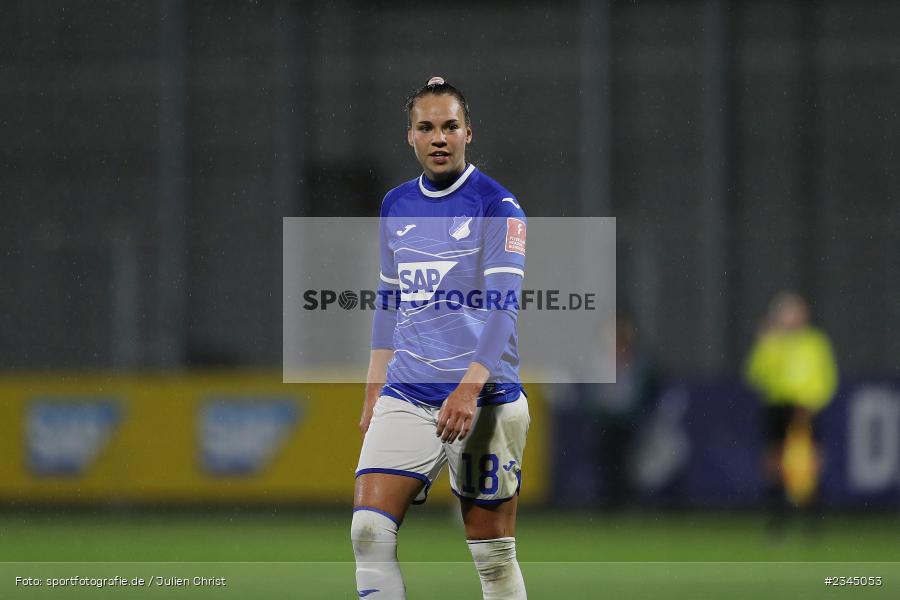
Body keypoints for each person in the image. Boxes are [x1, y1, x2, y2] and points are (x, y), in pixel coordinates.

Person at [352, 76, 529, 599]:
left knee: (492, 559)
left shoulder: (498, 207)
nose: (438, 138)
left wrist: (470, 389)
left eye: (449, 126)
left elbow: (503, 309)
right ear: (410, 137)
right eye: (425, 127)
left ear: (468, 132)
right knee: (368, 533)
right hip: (408, 392)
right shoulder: (396, 205)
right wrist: (374, 391)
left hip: (485, 400)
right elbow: (389, 301)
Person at [744, 291, 838, 532]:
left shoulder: (815, 342)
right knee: (774, 462)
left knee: (809, 462)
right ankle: (778, 517)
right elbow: (755, 374)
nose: (791, 319)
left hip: (805, 407)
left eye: (795, 313)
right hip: (778, 405)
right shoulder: (772, 342)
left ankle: (813, 518)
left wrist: (811, 402)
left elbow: (825, 377)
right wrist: (766, 344)